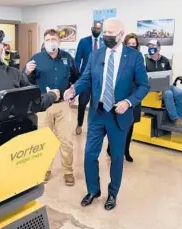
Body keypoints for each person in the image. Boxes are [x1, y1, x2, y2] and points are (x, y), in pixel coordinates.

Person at [64, 18, 149, 210]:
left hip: (119, 115)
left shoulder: (134, 57)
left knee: (117, 157)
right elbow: (86, 79)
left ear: (121, 34)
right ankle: (93, 190)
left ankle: (113, 193)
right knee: (89, 154)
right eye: (105, 34)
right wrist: (73, 90)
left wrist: (128, 102)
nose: (107, 37)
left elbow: (144, 85)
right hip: (97, 112)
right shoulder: (96, 55)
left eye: (111, 34)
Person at [24, 29, 79, 186]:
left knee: (66, 141)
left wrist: (74, 93)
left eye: (53, 39)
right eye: (47, 39)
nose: (50, 42)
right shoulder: (36, 59)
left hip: (63, 105)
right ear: (44, 41)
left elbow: (77, 78)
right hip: (43, 106)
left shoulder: (67, 58)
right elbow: (25, 80)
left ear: (59, 41)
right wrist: (27, 71)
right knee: (43, 141)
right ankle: (45, 169)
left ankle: (68, 171)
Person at [107, 33, 142, 162]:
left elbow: (142, 82)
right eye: (129, 44)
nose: (132, 46)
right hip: (120, 98)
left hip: (134, 99)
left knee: (129, 127)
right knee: (115, 125)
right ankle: (111, 148)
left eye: (134, 44)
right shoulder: (119, 59)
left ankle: (126, 151)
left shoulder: (139, 59)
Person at [145, 39, 182, 127]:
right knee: (168, 93)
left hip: (165, 84)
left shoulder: (165, 60)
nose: (151, 48)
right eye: (149, 46)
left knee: (180, 93)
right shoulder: (144, 60)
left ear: (159, 48)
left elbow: (170, 73)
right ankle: (174, 118)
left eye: (153, 46)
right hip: (152, 86)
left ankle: (180, 117)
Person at [74, 21, 105, 135]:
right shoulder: (84, 41)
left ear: (101, 30)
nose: (96, 30)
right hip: (85, 78)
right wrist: (77, 75)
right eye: (94, 28)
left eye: (99, 29)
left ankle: (93, 126)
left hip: (99, 79)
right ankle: (79, 123)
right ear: (91, 28)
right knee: (82, 102)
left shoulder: (104, 43)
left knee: (95, 104)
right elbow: (77, 59)